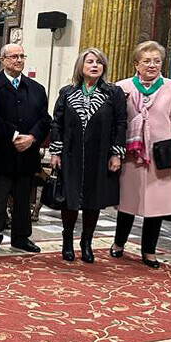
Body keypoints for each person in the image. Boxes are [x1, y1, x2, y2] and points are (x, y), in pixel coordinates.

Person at [110, 41, 171, 268]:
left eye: (157, 61)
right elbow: (115, 122)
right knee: (127, 204)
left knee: (156, 208)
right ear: (137, 64)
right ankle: (118, 243)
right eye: (147, 61)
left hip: (161, 157)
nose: (152, 65)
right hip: (131, 155)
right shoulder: (123, 87)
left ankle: (149, 251)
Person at [49, 48, 126, 263]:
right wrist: (55, 152)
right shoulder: (67, 92)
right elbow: (56, 123)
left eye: (99, 62)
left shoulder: (113, 93)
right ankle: (67, 241)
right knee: (69, 200)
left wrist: (116, 154)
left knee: (93, 200)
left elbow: (120, 124)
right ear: (80, 67)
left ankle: (86, 242)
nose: (95, 66)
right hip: (70, 155)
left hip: (99, 155)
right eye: (90, 61)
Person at [0, 43, 51, 254]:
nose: (19, 60)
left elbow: (44, 119)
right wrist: (14, 136)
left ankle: (21, 238)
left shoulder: (36, 88)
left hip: (27, 153)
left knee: (23, 199)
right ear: (2, 60)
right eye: (14, 57)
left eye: (22, 56)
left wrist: (32, 137)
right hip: (0, 152)